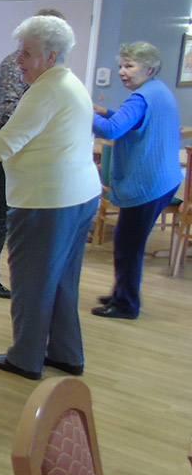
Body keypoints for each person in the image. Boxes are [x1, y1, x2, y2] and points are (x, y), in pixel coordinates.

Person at [0, 15, 101, 380]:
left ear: (51, 57)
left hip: (47, 202)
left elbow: (7, 141)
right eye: (21, 52)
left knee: (32, 283)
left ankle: (25, 357)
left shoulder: (47, 90)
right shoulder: (68, 82)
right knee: (63, 280)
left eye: (27, 54)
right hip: (78, 196)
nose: (19, 61)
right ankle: (66, 353)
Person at [0, 9, 66, 299]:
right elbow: (9, 111)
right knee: (3, 214)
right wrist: (41, 122)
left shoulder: (47, 71)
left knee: (7, 214)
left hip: (13, 149)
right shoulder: (15, 66)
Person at [90, 42, 182, 319]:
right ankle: (122, 293)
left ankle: (126, 304)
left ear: (149, 68)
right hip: (164, 179)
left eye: (129, 66)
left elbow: (113, 131)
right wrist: (103, 111)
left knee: (128, 244)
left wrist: (80, 110)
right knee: (126, 240)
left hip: (149, 183)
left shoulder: (140, 98)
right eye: (121, 65)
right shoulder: (158, 91)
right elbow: (131, 122)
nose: (122, 71)